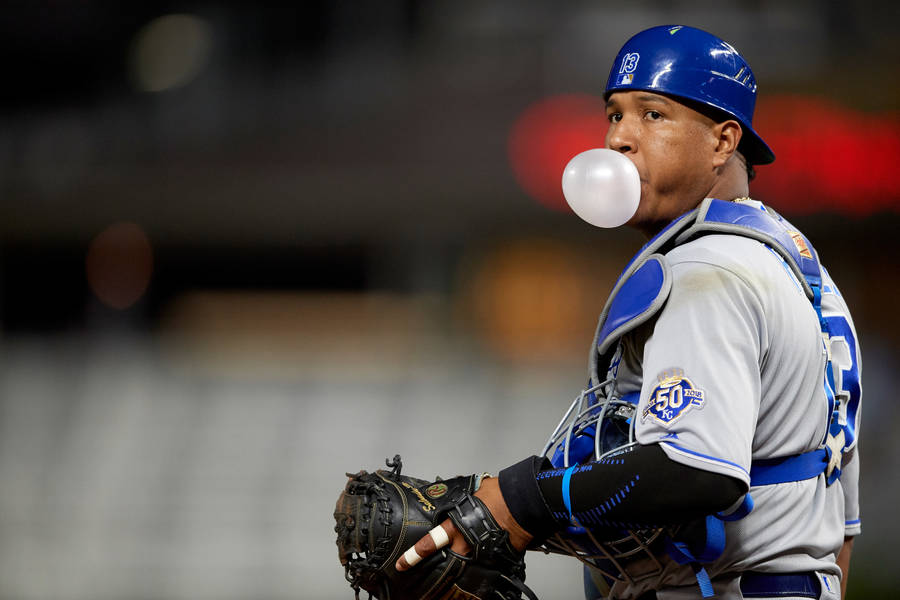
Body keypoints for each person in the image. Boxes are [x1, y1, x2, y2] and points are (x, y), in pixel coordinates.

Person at [396, 25, 862, 600]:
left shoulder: (708, 272)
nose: (620, 138)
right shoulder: (800, 269)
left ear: (723, 141)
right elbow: (840, 524)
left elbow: (696, 471)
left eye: (653, 114)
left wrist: (519, 502)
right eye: (615, 114)